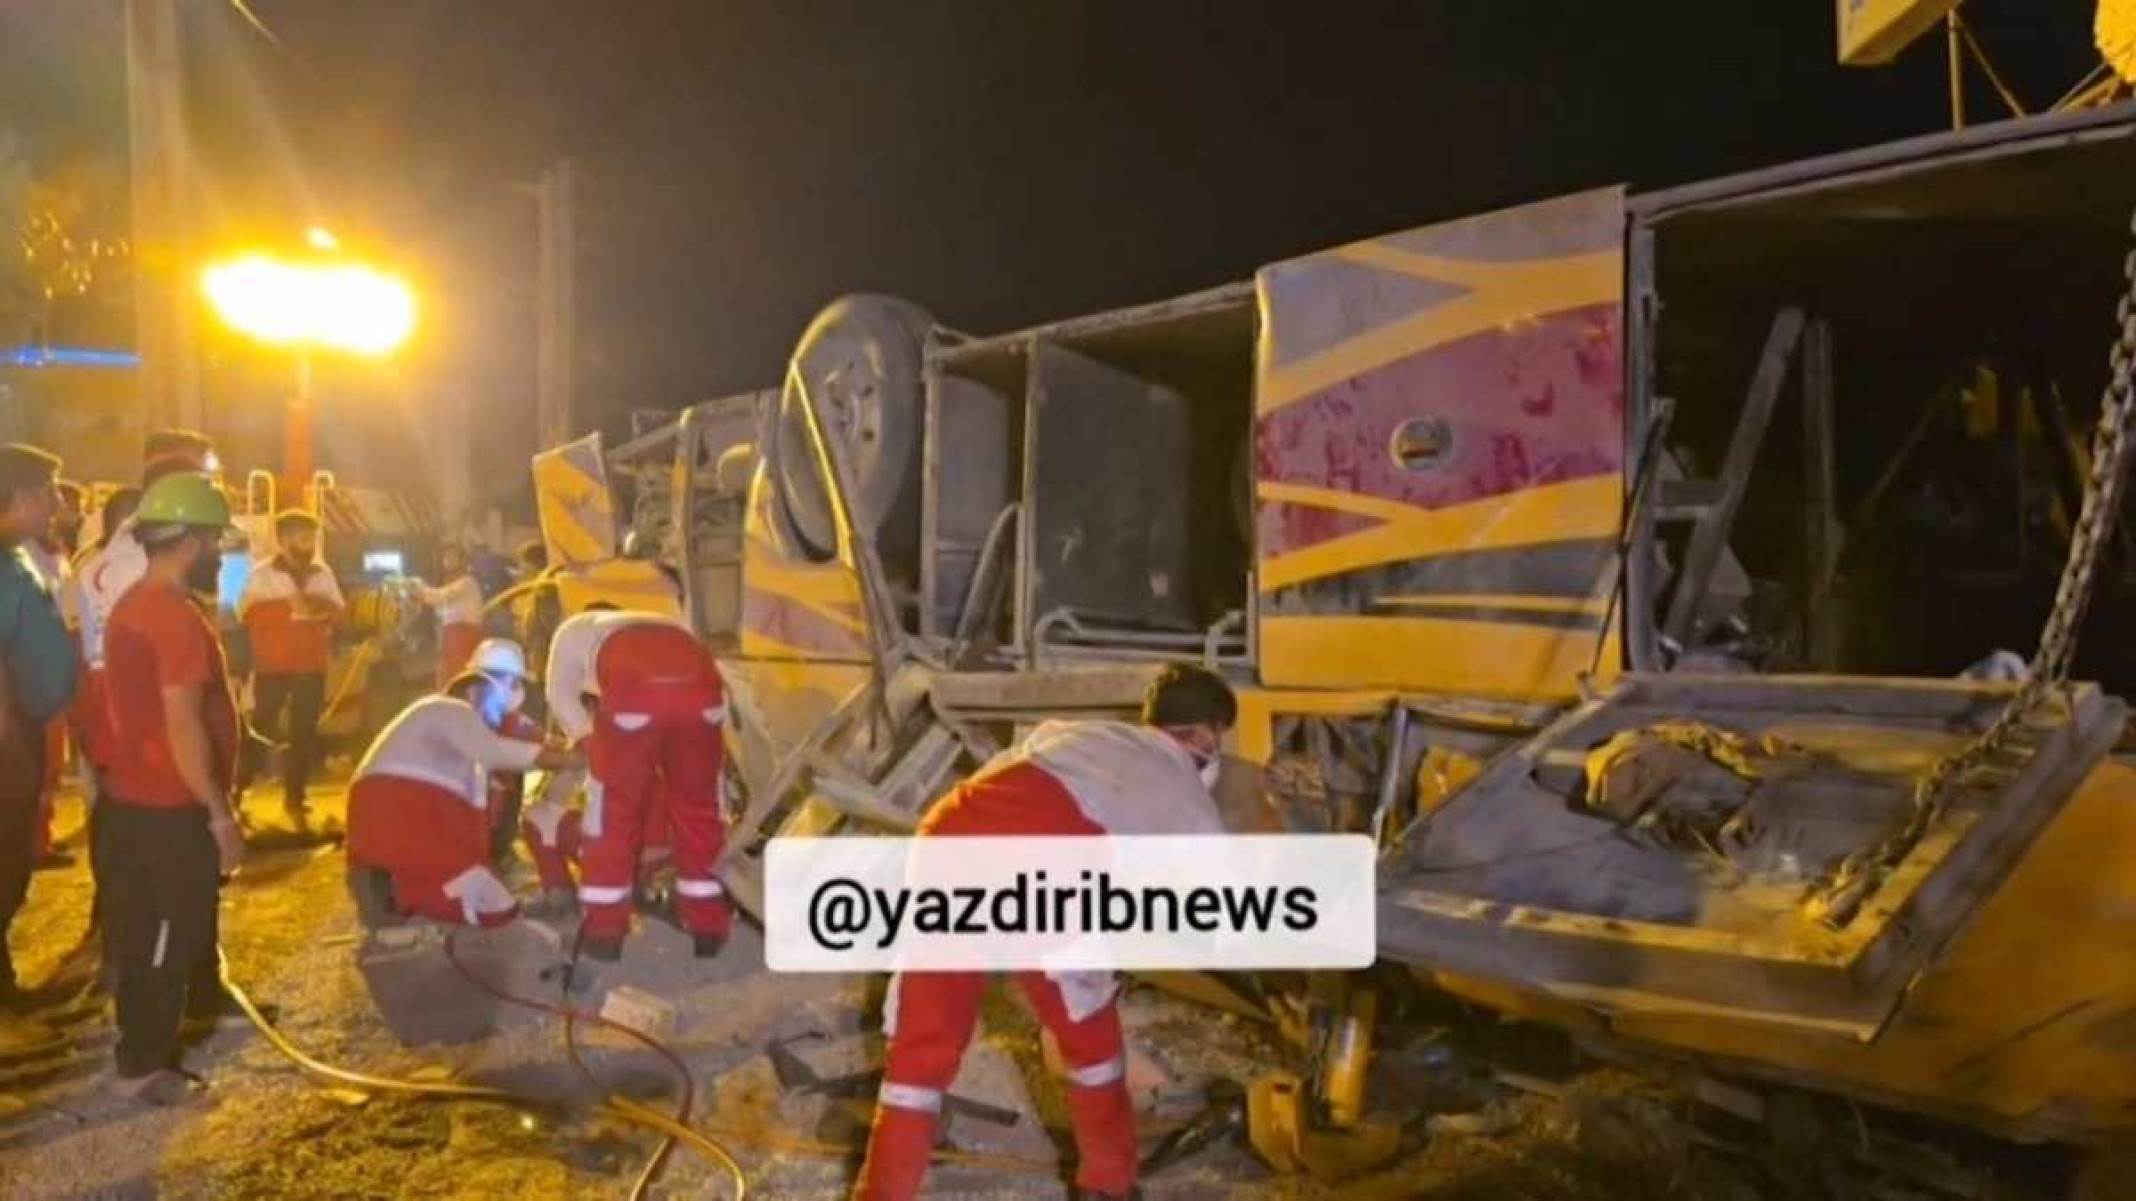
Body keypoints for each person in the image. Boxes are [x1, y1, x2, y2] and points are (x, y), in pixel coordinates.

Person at [851, 665, 1237, 1201]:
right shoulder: (1184, 790)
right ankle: (1107, 1184)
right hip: (1043, 864)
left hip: (947, 840)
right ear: (1206, 733)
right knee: (1093, 1047)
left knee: (920, 1055)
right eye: (1219, 736)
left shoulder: (1073, 733)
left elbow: (1008, 780)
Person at [97, 471, 245, 1104]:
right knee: (163, 935)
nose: (220, 555)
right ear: (190, 544)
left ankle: (142, 1047)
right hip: (166, 808)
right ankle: (142, 1067)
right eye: (215, 542)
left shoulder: (135, 602)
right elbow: (182, 724)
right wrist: (220, 816)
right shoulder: (171, 618)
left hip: (133, 801)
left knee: (146, 930)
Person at [544, 605, 729, 960]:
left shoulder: (572, 630)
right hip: (703, 685)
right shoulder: (666, 623)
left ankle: (604, 932)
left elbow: (559, 695)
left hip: (635, 683)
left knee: (611, 814)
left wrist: (586, 739)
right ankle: (708, 926)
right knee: (700, 810)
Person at [344, 653, 580, 928]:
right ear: (473, 692)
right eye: (495, 704)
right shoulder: (447, 709)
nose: (498, 716)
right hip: (402, 819)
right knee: (491, 904)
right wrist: (571, 759)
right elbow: (497, 752)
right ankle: (391, 891)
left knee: (490, 902)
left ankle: (396, 898)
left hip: (405, 829)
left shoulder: (452, 750)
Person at [0, 445, 80, 1008]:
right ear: (24, 496)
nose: (57, 503)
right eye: (50, 491)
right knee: (5, 858)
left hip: (22, 727)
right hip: (6, 735)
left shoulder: (15, 558)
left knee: (11, 856)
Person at [238, 510, 344, 828]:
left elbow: (339, 612)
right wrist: (289, 610)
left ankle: (296, 798)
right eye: (302, 537)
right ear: (283, 540)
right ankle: (236, 792)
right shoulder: (261, 575)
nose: (309, 544)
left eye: (312, 537)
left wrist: (319, 608)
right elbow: (246, 615)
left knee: (304, 734)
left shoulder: (322, 573)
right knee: (261, 730)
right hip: (274, 667)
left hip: (310, 667)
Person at [417, 544, 486, 686]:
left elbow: (439, 597)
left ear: (463, 560)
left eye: (452, 557)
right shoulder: (452, 586)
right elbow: (435, 602)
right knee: (448, 673)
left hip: (463, 634)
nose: (447, 561)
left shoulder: (468, 582)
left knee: (459, 674)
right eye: (445, 557)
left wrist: (417, 587)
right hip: (452, 634)